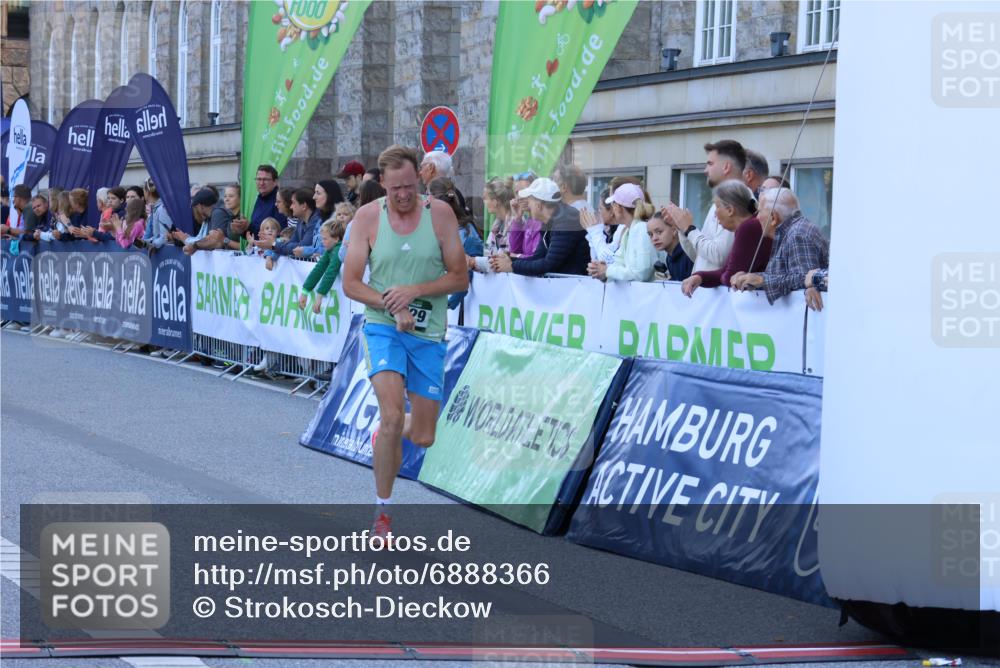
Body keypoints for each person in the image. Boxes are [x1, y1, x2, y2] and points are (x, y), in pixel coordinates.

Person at [341, 144, 467, 542]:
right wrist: (390, 304)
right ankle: (383, 515)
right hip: (383, 325)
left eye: (409, 186)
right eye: (395, 188)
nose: (402, 195)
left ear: (420, 179)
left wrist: (414, 291)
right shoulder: (367, 218)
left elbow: (460, 278)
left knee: (424, 435)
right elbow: (351, 283)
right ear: (382, 184)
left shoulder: (440, 215)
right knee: (392, 414)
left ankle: (387, 436)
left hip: (428, 333)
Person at [731, 188, 830, 303]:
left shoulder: (797, 234)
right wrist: (750, 278)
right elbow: (785, 277)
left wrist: (761, 280)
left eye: (759, 212)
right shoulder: (790, 231)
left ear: (773, 217)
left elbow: (805, 280)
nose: (757, 217)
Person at [665, 139, 746, 273]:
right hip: (707, 291)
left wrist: (689, 229)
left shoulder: (738, 201)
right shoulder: (720, 201)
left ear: (726, 167)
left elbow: (719, 256)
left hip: (721, 292)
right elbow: (700, 258)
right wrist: (683, 229)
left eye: (710, 164)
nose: (705, 170)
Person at [681, 181, 771, 297]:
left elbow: (729, 276)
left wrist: (723, 276)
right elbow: (728, 272)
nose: (715, 215)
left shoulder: (749, 227)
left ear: (730, 210)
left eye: (717, 207)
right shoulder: (749, 226)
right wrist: (700, 277)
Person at [490, 177, 589, 277]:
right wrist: (510, 260)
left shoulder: (566, 221)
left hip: (575, 288)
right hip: (566, 286)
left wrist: (512, 266)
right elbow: (538, 257)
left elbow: (548, 264)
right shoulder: (551, 220)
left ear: (539, 205)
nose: (526, 204)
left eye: (529, 200)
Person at [582, 183, 657, 282]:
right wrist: (602, 273)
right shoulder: (628, 231)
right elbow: (619, 263)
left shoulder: (641, 229)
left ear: (618, 207)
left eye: (613, 204)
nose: (612, 208)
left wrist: (607, 271)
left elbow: (642, 272)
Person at [428, 177, 483, 310]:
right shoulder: (428, 224)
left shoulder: (466, 231)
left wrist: (449, 303)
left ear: (432, 198)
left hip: (455, 306)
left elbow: (468, 267)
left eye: (427, 194)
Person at [297, 218, 346, 314]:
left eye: (325, 239)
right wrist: (305, 292)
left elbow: (331, 272)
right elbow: (318, 269)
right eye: (321, 238)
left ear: (336, 239)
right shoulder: (330, 250)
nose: (322, 242)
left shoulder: (338, 249)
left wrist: (319, 296)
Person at [472, 177, 515, 273]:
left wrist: (473, 261)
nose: (483, 202)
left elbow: (500, 261)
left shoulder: (515, 225)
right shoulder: (497, 225)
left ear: (495, 202)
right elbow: (489, 256)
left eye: (485, 198)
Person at [339, 179, 387, 263]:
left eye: (359, 196)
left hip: (363, 272)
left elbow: (343, 255)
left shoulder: (356, 223)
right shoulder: (392, 221)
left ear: (362, 198)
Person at [273, 188, 321, 258]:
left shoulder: (316, 222)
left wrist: (273, 244)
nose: (291, 207)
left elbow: (302, 246)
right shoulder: (301, 221)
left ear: (304, 206)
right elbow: (291, 242)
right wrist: (271, 249)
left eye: (293, 203)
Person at [171, 188, 220, 254]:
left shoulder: (215, 215)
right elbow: (200, 239)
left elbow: (211, 241)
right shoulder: (205, 219)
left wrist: (186, 240)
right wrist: (184, 239)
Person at [646, 213, 693, 281]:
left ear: (674, 230)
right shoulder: (669, 257)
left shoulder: (689, 254)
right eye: (650, 234)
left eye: (659, 232)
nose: (654, 238)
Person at [508, 171, 542, 257]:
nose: (519, 197)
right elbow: (515, 249)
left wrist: (517, 256)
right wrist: (517, 219)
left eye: (524, 191)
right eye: (516, 193)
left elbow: (537, 259)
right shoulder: (528, 221)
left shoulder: (543, 220)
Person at [249, 164, 287, 234]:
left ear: (275, 182)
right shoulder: (260, 198)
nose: (261, 183)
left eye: (265, 179)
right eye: (259, 179)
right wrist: (244, 229)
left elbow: (281, 233)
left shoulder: (279, 201)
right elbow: (255, 233)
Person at [141, 177, 174, 249]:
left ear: (148, 192)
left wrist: (151, 244)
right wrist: (145, 242)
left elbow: (165, 237)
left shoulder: (162, 208)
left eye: (143, 189)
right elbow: (157, 236)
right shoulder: (157, 207)